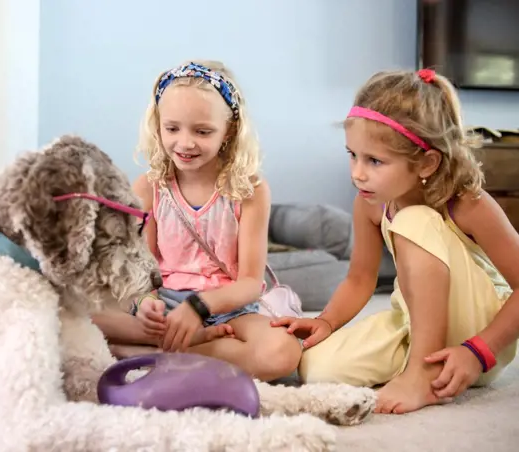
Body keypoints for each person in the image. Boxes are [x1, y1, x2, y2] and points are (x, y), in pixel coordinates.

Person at [271, 68, 519, 413]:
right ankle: (421, 357)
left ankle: (421, 371)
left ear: (427, 163)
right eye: (352, 155)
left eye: (374, 160)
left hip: (478, 327)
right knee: (316, 368)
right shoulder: (369, 204)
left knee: (414, 219)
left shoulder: (468, 203)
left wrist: (479, 351)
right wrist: (326, 321)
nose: (358, 172)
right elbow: (360, 279)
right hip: (413, 323)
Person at [91, 60, 301, 382]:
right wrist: (146, 302)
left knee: (282, 351)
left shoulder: (250, 190)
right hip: (163, 305)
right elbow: (142, 269)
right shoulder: (148, 187)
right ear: (158, 124)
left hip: (224, 309)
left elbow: (248, 283)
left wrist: (198, 308)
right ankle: (179, 347)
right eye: (172, 129)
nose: (185, 143)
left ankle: (144, 356)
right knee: (80, 314)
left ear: (229, 130)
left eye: (202, 132)